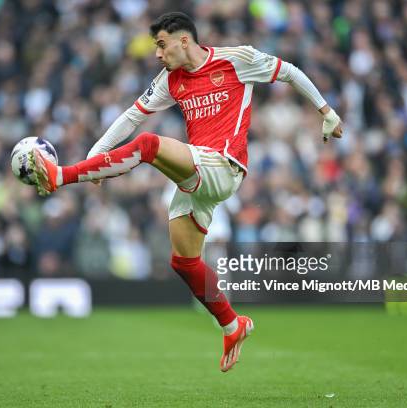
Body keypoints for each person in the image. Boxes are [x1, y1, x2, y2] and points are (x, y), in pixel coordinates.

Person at [30, 12, 343, 372]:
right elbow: (132, 115)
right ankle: (231, 324)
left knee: (149, 145)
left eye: (162, 45)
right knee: (183, 261)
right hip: (197, 174)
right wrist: (95, 153)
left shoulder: (236, 59)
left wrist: (325, 110)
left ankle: (60, 177)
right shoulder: (169, 79)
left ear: (183, 40)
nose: (158, 55)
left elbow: (288, 70)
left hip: (223, 166)